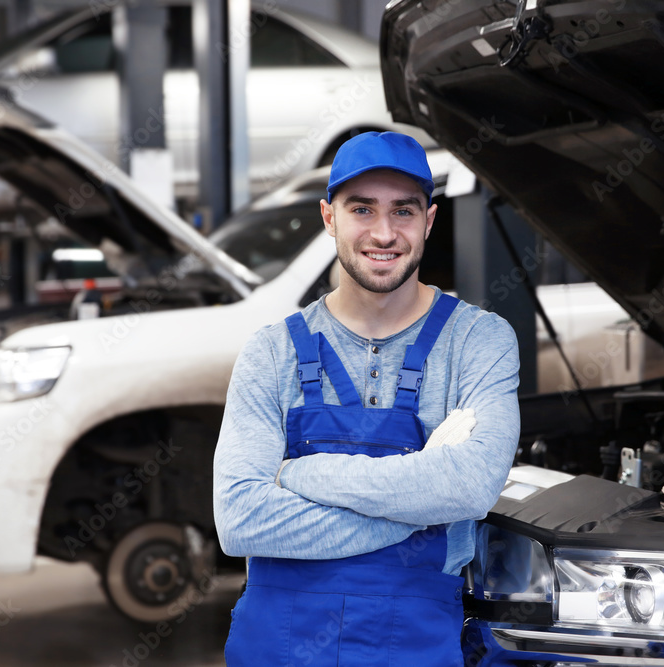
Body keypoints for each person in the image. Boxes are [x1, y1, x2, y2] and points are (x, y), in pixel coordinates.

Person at [213, 131, 520, 666]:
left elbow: (469, 487)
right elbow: (242, 521)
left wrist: (301, 476)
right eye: (362, 209)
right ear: (330, 218)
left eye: (403, 211)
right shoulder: (271, 352)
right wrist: (422, 508)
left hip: (413, 645)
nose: (384, 232)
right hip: (277, 646)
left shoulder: (479, 341)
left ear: (428, 220)